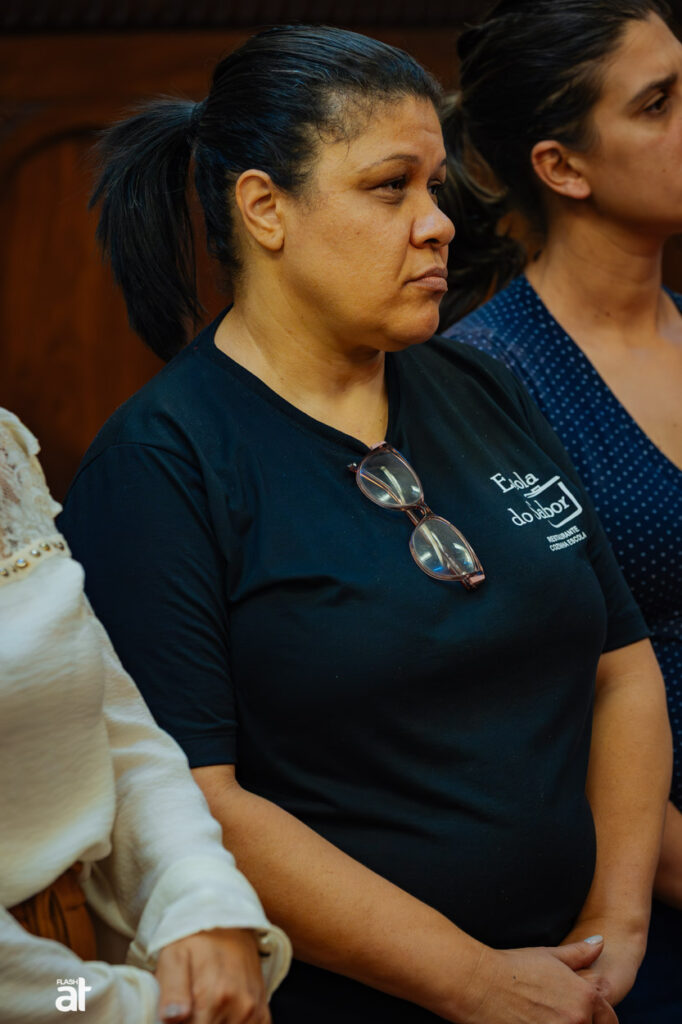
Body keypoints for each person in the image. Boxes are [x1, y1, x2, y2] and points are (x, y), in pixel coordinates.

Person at [59, 24, 672, 1024]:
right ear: (266, 208)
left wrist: (616, 925)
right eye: (391, 188)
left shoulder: (481, 384)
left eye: (435, 187)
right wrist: (476, 981)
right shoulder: (161, 464)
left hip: (587, 977)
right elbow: (195, 800)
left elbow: (621, 664)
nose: (437, 224)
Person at [439, 2, 682, 1020]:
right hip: (624, 903)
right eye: (659, 103)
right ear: (562, 166)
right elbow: (536, 698)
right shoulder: (484, 379)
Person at [0, 407, 290, 1023]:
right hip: (53, 994)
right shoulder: (151, 454)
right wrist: (163, 1006)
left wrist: (204, 903)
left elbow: (114, 732)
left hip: (78, 950)